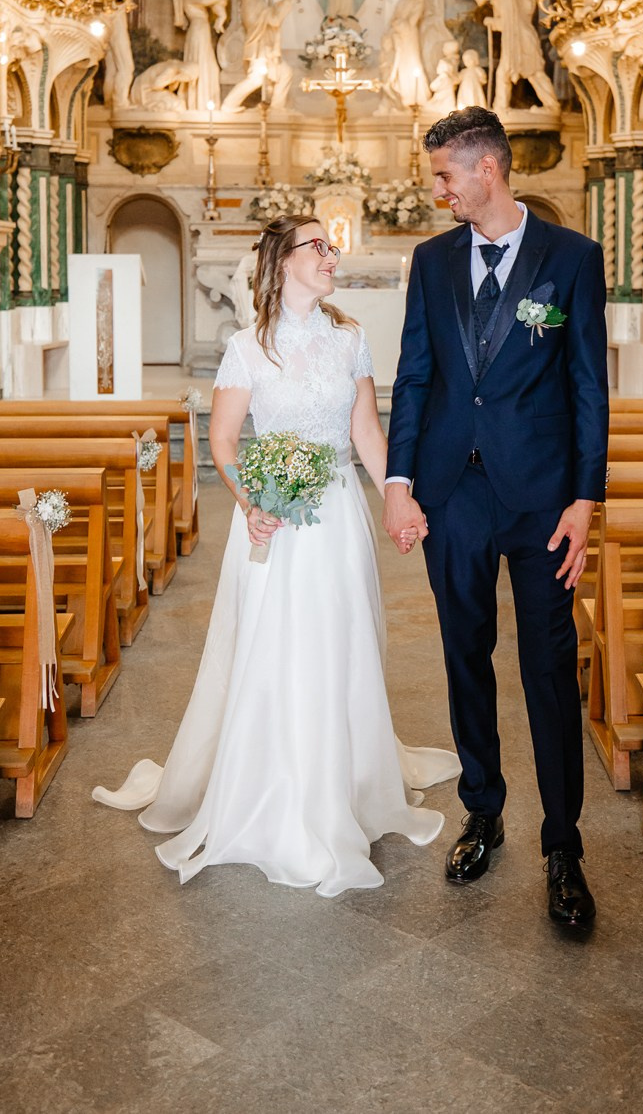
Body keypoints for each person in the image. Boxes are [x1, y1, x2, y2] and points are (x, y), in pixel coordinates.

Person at [93, 215, 459, 895]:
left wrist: (398, 500)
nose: (331, 255)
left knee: (339, 642)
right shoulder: (246, 349)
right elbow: (225, 443)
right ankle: (268, 782)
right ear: (282, 262)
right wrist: (251, 503)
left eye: (331, 246)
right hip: (270, 521)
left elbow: (368, 437)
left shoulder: (350, 341)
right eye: (317, 246)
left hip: (337, 517)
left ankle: (338, 781)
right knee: (273, 645)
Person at [383, 107, 608, 930]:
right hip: (454, 493)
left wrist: (587, 500)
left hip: (543, 497)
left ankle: (563, 846)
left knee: (549, 667)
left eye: (445, 175)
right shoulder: (430, 260)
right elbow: (414, 376)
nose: (437, 190)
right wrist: (401, 479)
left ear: (488, 171)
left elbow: (589, 385)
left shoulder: (572, 259)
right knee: (464, 653)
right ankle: (483, 808)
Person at [472, 0, 560, 116]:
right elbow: (509, 23)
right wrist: (494, 22)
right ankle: (501, 108)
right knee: (511, 73)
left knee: (533, 72)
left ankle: (552, 106)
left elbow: (510, 24)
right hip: (519, 39)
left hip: (521, 41)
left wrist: (492, 21)